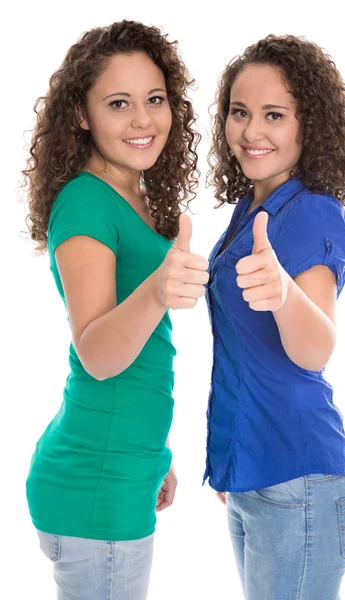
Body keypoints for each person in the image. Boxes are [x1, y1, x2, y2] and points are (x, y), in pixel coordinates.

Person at [23, 19, 208, 600]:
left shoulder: (130, 190)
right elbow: (99, 354)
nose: (143, 121)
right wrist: (157, 289)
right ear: (81, 114)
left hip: (120, 468)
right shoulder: (85, 203)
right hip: (95, 490)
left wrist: (153, 453)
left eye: (155, 100)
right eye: (118, 103)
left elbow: (139, 352)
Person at [204, 34, 345, 600]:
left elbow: (315, 348)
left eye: (274, 115)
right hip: (259, 476)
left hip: (300, 480)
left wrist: (282, 295)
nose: (253, 132)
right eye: (240, 112)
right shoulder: (253, 207)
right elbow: (242, 355)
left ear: (309, 125)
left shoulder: (312, 212)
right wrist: (233, 460)